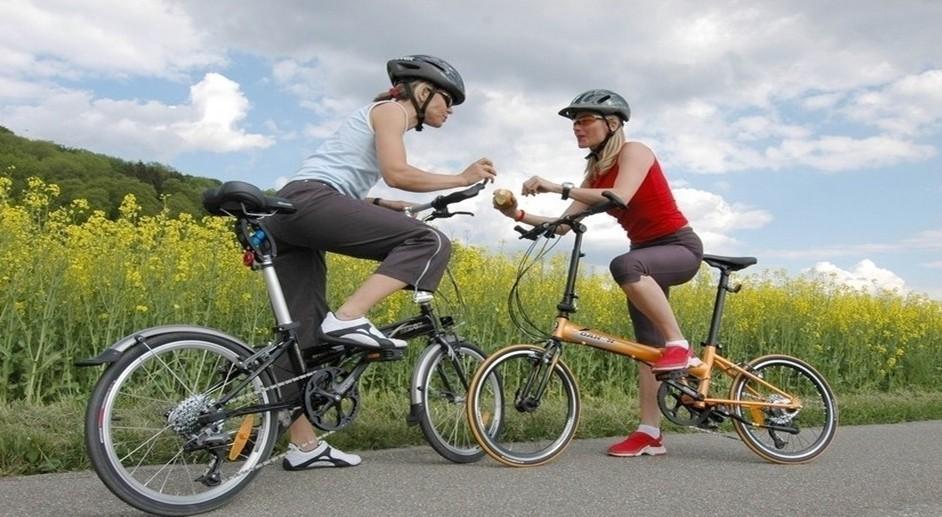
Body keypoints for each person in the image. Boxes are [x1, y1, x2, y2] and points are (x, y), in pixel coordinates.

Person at [265, 55, 497, 470]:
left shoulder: (375, 117)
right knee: (429, 241)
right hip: (310, 201)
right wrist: (462, 178)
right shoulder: (392, 110)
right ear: (422, 92)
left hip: (287, 215)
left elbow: (342, 175)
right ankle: (349, 316)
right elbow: (397, 173)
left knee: (305, 340)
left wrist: (376, 203)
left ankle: (303, 446)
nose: (450, 110)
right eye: (447, 100)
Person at [494, 89, 702, 458]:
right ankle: (650, 433)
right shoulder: (594, 175)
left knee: (624, 266)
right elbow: (562, 224)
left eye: (584, 120)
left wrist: (556, 186)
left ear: (613, 124)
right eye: (574, 123)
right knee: (647, 351)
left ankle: (680, 346)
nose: (577, 128)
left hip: (678, 248)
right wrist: (518, 215)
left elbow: (621, 195)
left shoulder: (635, 151)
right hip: (644, 257)